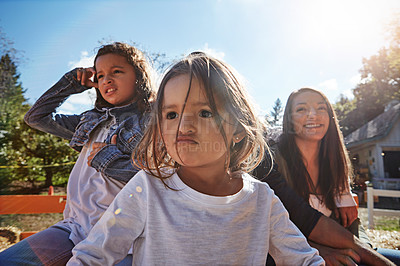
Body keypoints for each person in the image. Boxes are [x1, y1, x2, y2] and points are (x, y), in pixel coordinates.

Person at [67, 52, 324, 265]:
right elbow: (93, 256)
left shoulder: (261, 199)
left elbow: (304, 260)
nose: (183, 126)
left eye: (204, 112)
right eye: (171, 115)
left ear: (238, 129)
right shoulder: (147, 188)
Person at [0, 42, 155, 266]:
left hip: (123, 234)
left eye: (117, 71)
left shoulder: (151, 121)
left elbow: (160, 180)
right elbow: (35, 118)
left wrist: (109, 161)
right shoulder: (89, 120)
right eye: (100, 75)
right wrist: (71, 82)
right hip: (74, 228)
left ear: (139, 76)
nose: (107, 80)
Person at [254, 88, 397, 266]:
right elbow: (266, 228)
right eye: (301, 109)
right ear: (289, 120)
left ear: (330, 117)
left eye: (321, 108)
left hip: (348, 251)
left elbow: (354, 225)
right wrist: (316, 251)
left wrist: (363, 254)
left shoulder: (335, 165)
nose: (313, 115)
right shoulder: (273, 163)